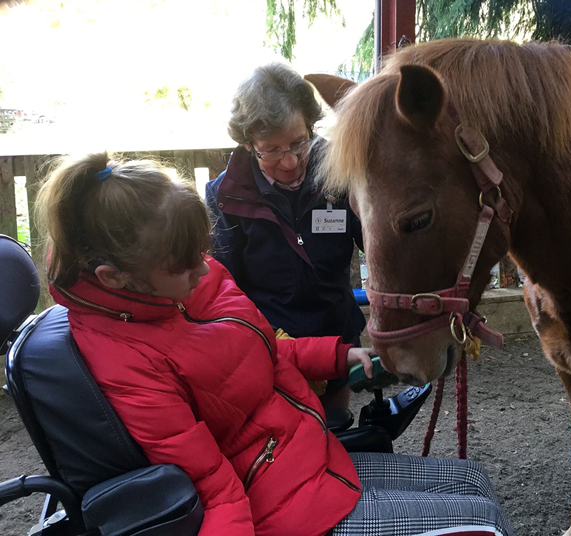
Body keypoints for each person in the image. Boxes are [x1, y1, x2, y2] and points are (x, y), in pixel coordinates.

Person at [36, 153, 513, 536]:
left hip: (306, 455)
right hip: (280, 508)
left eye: (200, 252)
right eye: (184, 265)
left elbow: (258, 352)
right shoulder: (126, 363)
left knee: (474, 480)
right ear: (113, 278)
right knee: (483, 523)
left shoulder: (173, 286)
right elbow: (209, 485)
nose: (205, 270)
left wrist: (335, 354)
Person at [205, 62, 364, 411]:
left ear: (310, 126)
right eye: (272, 150)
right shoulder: (225, 197)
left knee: (337, 427)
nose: (290, 161)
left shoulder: (342, 169)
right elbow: (225, 288)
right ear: (249, 144)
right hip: (275, 347)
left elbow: (377, 243)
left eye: (298, 143)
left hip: (337, 333)